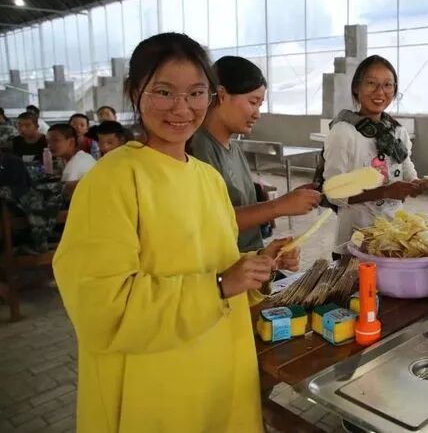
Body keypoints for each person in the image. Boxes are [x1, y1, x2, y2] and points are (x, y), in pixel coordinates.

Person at [53, 32, 299, 432]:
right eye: (164, 92)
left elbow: (214, 263)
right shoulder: (112, 181)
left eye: (196, 93)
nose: (182, 108)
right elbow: (102, 305)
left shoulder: (207, 177)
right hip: (156, 386)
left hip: (221, 368)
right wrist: (219, 286)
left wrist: (258, 265)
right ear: (135, 92)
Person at [190, 55, 321, 255]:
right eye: (253, 102)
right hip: (226, 267)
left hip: (250, 261)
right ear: (222, 95)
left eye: (260, 105)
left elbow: (242, 209)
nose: (257, 114)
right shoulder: (199, 149)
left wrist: (288, 201)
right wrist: (278, 206)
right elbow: (212, 222)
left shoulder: (233, 149)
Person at [320, 55, 428, 258]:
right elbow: (334, 193)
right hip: (354, 243)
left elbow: (409, 180)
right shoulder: (344, 132)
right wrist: (384, 191)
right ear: (356, 87)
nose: (380, 92)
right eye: (371, 83)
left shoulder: (397, 132)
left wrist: (424, 184)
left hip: (393, 240)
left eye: (388, 85)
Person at [46, 124, 96, 199]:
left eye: (56, 140)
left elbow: (66, 195)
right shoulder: (81, 156)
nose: (50, 145)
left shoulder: (75, 163)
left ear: (71, 142)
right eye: (48, 141)